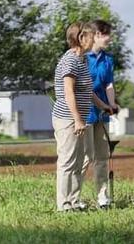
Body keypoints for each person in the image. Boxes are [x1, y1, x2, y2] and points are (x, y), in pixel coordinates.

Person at [52, 21, 112, 212]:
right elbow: (68, 92)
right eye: (90, 35)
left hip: (80, 118)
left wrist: (104, 105)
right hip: (68, 119)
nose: (94, 38)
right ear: (80, 38)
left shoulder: (83, 60)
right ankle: (64, 204)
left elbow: (87, 90)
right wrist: (78, 119)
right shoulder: (69, 60)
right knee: (67, 162)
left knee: (78, 162)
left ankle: (74, 201)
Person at [79, 19, 118, 209]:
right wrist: (102, 104)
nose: (110, 38)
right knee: (85, 157)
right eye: (107, 34)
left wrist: (111, 104)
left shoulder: (108, 60)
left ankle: (102, 197)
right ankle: (74, 197)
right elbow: (85, 87)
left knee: (102, 157)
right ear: (96, 35)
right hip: (85, 113)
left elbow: (109, 84)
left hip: (103, 115)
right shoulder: (82, 58)